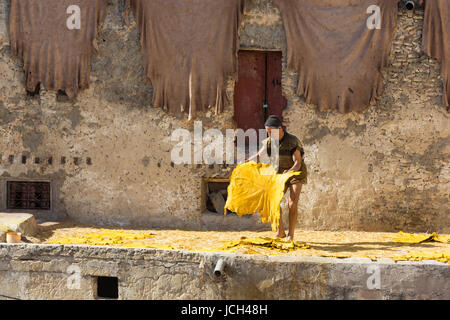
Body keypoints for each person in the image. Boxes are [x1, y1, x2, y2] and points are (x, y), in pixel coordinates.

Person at [247, 115, 307, 241]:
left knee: (292, 204)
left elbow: (298, 163)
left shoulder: (292, 141)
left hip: (296, 173)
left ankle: (291, 235)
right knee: (274, 201)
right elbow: (259, 155)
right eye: (267, 132)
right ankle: (280, 232)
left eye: (271, 131)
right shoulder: (269, 141)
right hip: (280, 173)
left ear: (280, 128)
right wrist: (247, 162)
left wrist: (289, 172)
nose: (269, 134)